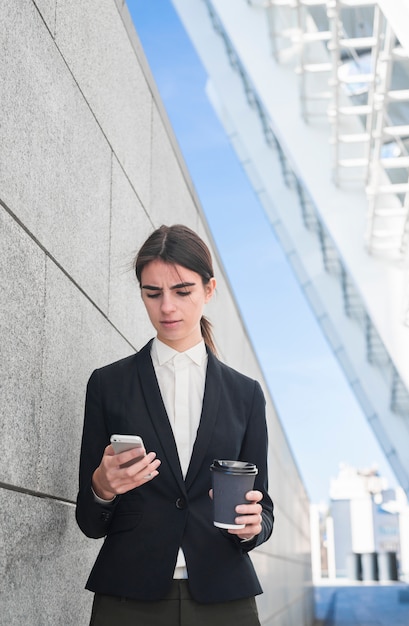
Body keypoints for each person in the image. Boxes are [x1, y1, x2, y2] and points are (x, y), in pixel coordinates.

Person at [76, 224, 274, 626]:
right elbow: (88, 520)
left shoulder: (246, 394)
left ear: (209, 290)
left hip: (224, 596)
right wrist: (102, 489)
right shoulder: (107, 385)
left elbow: (263, 507)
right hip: (127, 597)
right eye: (153, 293)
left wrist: (255, 526)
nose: (167, 307)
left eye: (182, 291)